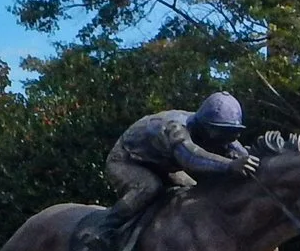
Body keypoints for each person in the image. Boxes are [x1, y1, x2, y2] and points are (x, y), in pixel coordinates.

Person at [104, 93, 261, 228]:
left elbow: (240, 153)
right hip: (128, 159)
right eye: (222, 132)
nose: (226, 139)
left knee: (194, 191)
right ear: (206, 126)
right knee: (149, 187)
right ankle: (106, 227)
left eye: (232, 133)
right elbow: (190, 158)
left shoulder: (218, 131)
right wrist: (230, 165)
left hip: (164, 166)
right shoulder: (175, 127)